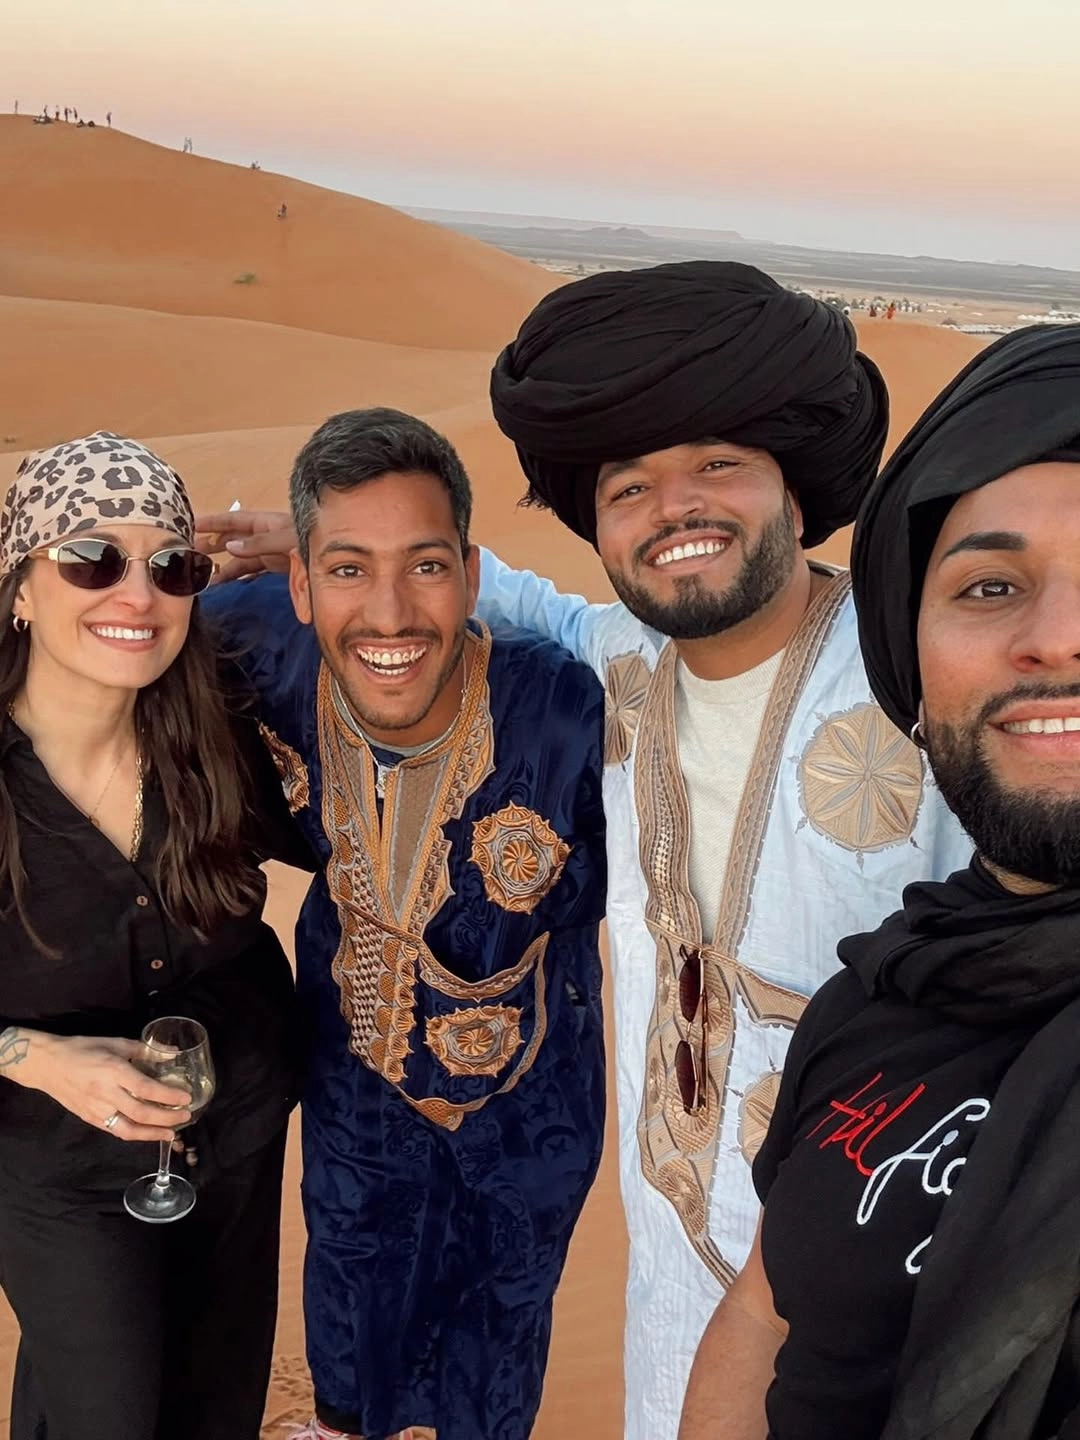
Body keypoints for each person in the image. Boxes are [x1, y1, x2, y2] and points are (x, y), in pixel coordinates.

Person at [204, 262, 973, 1440]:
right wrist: (320, 549)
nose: (676, 510)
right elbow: (513, 603)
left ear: (791, 481)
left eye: (718, 465)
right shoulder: (619, 661)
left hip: (877, 1242)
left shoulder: (919, 679)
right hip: (670, 1248)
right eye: (630, 486)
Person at [679, 323, 1080, 1440]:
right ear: (915, 657)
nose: (1057, 638)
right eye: (991, 587)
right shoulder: (874, 1000)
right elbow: (765, 1316)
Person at [199, 408, 608, 1440]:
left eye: (425, 567)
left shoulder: (568, 713)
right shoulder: (258, 652)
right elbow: (89, 655)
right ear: (298, 584)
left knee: (498, 1347)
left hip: (530, 1107)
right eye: (345, 569)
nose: (389, 613)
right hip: (352, 1088)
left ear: (473, 575)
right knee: (347, 1307)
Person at [0, 433, 313, 1439]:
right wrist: (42, 1058)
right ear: (20, 590)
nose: (135, 595)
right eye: (90, 559)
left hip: (238, 1137)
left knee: (214, 1411)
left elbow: (395, 742)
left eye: (171, 567)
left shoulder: (222, 732)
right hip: (57, 1169)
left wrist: (326, 557)